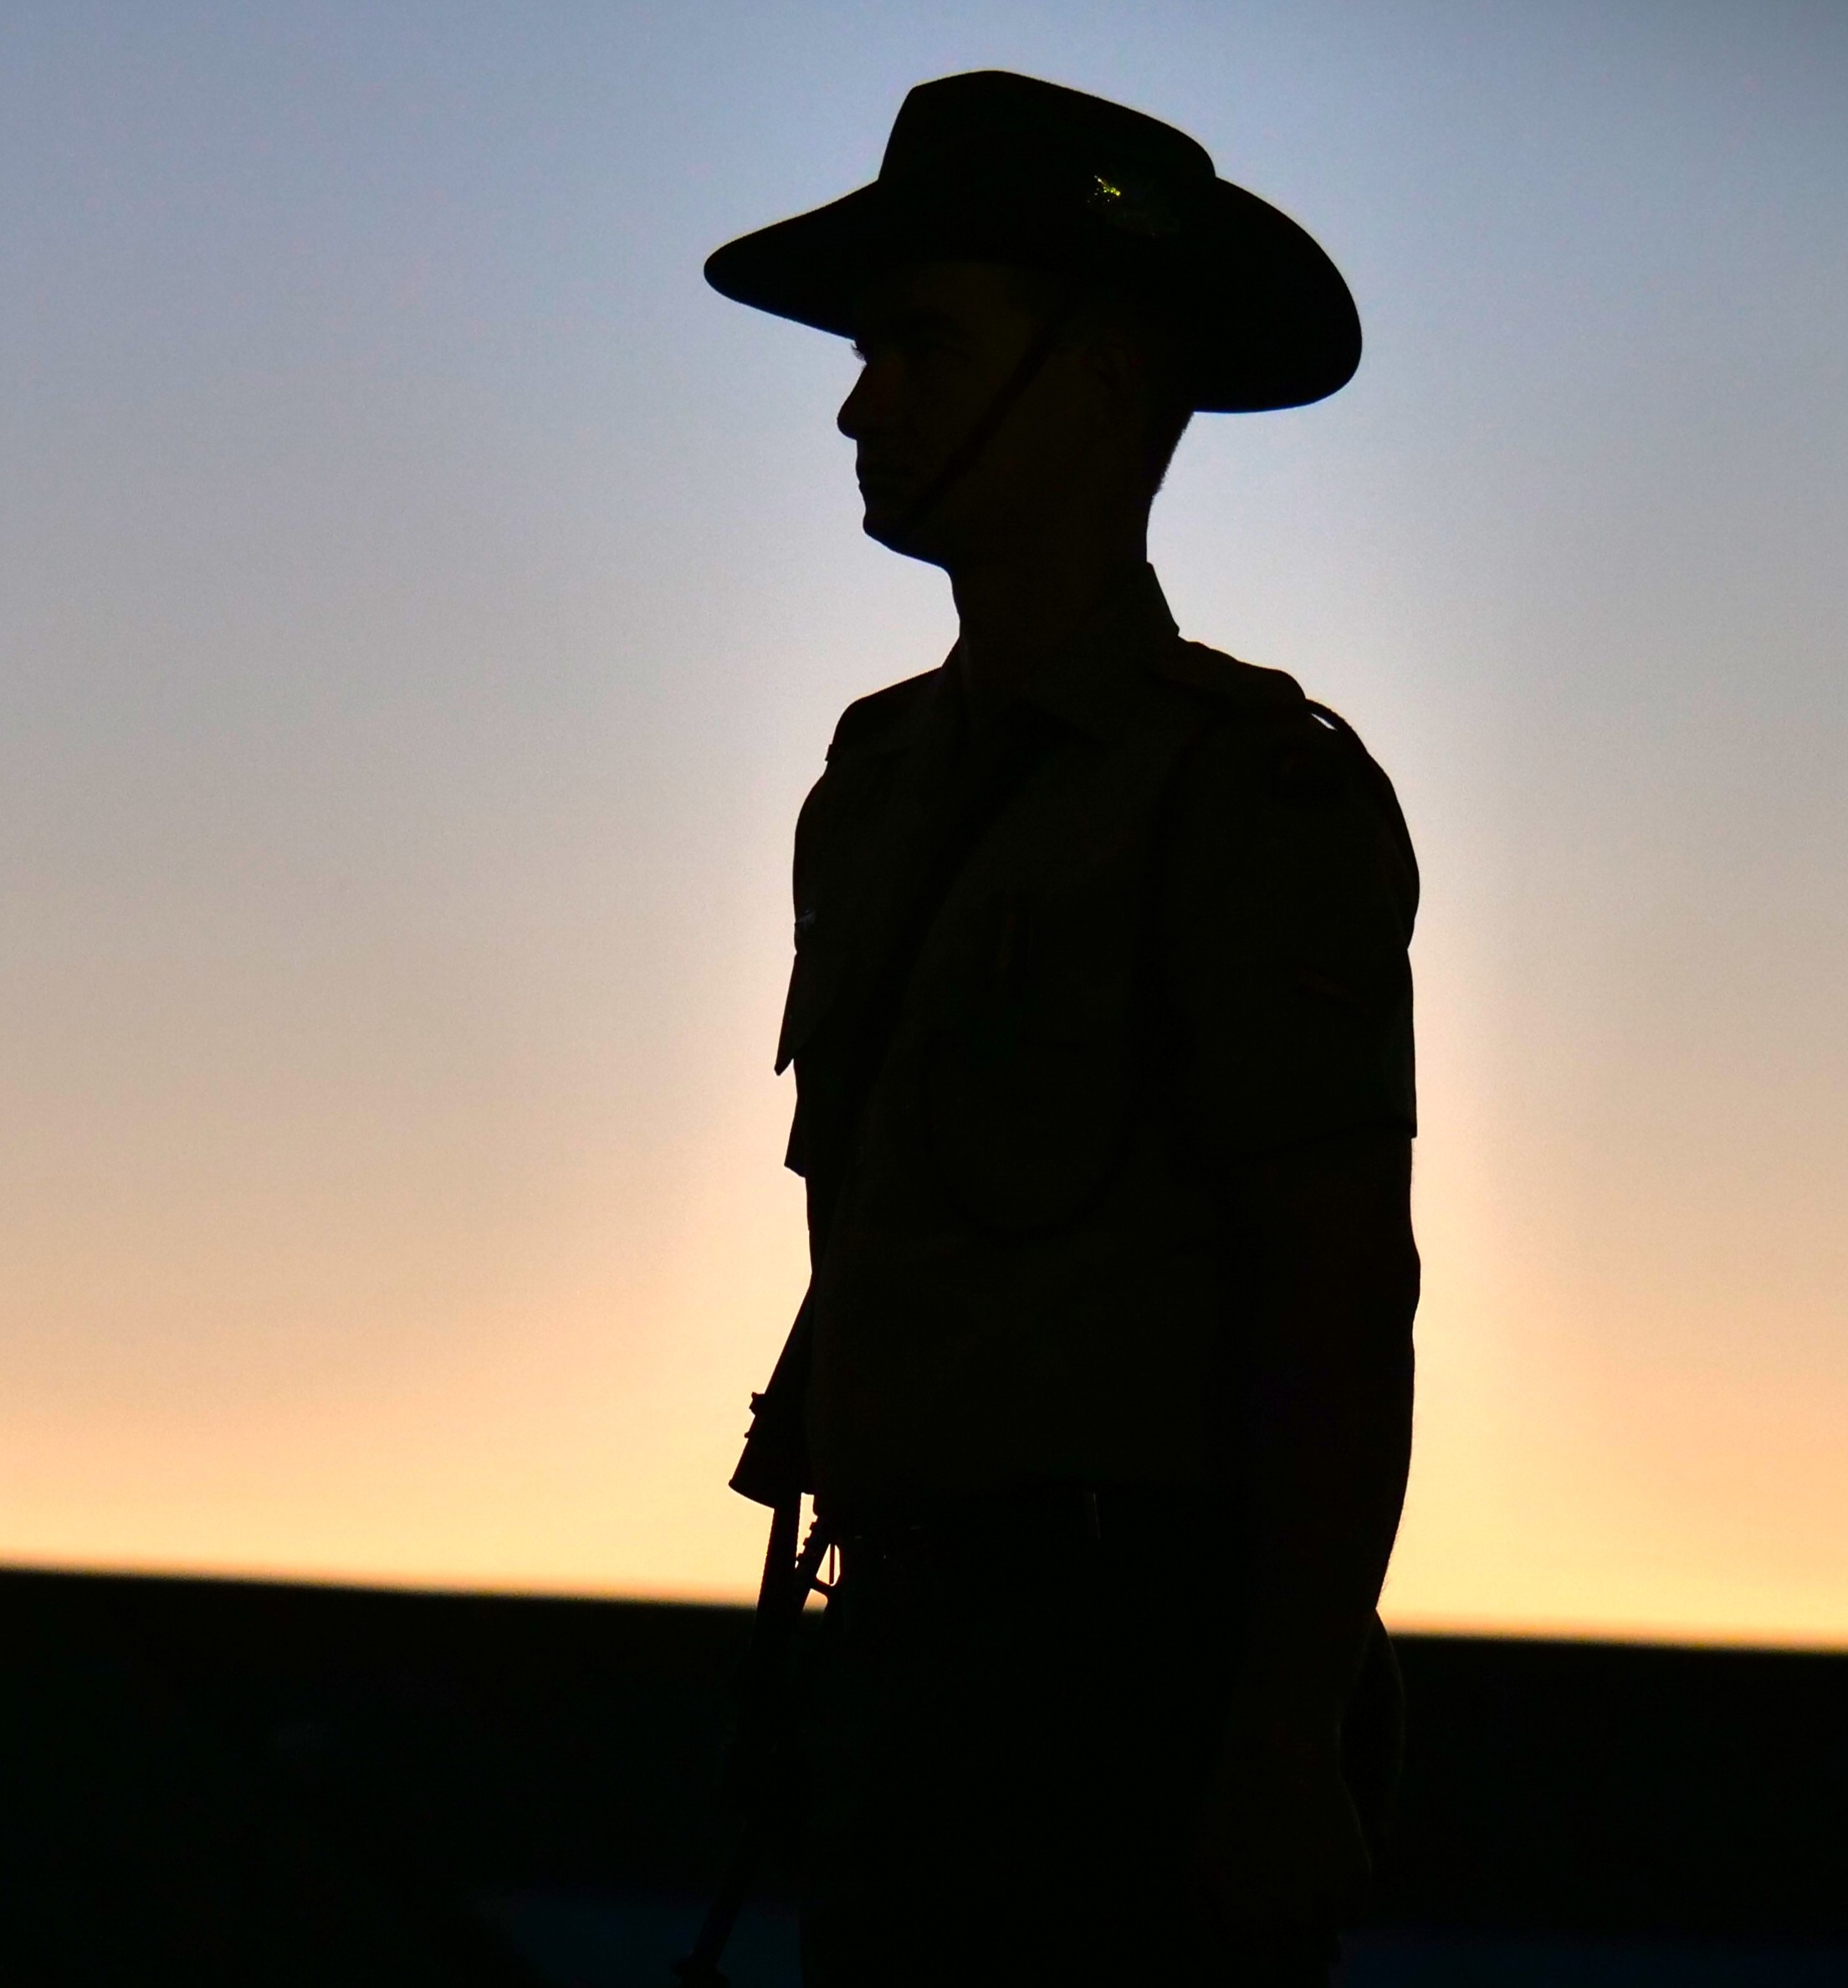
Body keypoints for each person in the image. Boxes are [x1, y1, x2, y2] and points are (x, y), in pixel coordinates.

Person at [703, 71, 1420, 1985]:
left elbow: (1337, 1288)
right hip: (909, 1670)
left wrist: (1279, 1748)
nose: (863, 402)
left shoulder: (1248, 791)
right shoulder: (872, 781)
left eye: (923, 345)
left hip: (1136, 1688)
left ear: (1104, 380)